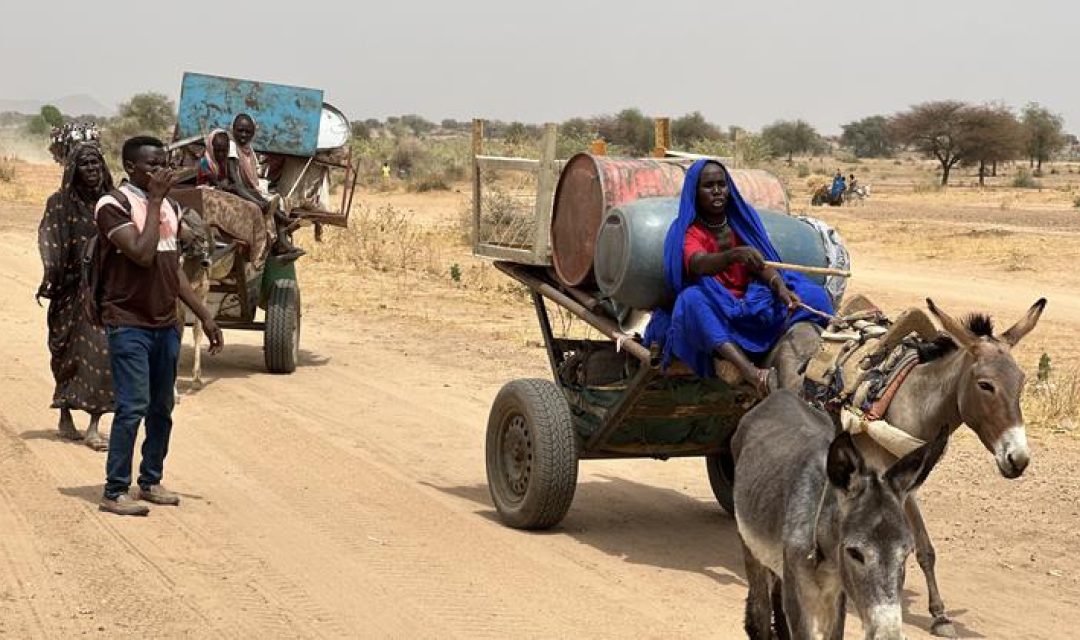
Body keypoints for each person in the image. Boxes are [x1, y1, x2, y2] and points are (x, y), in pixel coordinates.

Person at [94, 135, 224, 516]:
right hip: (128, 321)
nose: (161, 171)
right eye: (152, 165)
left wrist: (204, 313)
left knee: (161, 408)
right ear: (131, 167)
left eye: (164, 163)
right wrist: (152, 201)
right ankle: (115, 489)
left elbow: (171, 268)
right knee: (132, 406)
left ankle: (150, 480)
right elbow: (142, 252)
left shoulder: (169, 205)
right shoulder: (112, 205)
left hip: (164, 323)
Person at [643, 159, 833, 396]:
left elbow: (761, 263)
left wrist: (778, 286)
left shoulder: (742, 219)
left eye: (722, 184)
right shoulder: (688, 230)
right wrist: (732, 256)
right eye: (708, 185)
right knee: (690, 301)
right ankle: (751, 373)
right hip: (719, 303)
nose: (717, 191)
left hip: (752, 296)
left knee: (813, 294)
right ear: (695, 191)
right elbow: (698, 263)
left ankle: (786, 347)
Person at [37, 143, 115, 450]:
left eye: (97, 163)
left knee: (100, 354)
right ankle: (66, 416)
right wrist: (51, 278)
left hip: (102, 292)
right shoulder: (59, 204)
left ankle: (95, 425)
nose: (93, 169)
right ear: (73, 170)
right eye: (85, 165)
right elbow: (50, 244)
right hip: (68, 291)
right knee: (65, 352)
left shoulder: (111, 203)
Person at [228, 114, 304, 260]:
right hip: (239, 189)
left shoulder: (248, 149)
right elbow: (236, 181)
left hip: (251, 188)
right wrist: (257, 200)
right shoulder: (232, 148)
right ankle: (277, 240)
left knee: (277, 199)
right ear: (233, 130)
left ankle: (280, 241)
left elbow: (256, 173)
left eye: (248, 132)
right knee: (266, 205)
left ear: (253, 133)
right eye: (240, 130)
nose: (243, 135)